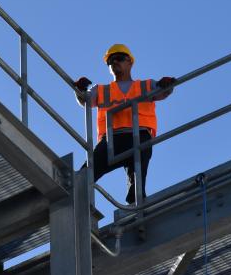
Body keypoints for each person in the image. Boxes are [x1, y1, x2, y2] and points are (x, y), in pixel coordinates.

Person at [74, 43, 176, 204]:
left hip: (139, 135)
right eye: (110, 61)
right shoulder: (100, 89)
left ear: (130, 62)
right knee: (86, 174)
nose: (114, 62)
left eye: (119, 58)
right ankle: (72, 194)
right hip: (111, 139)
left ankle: (136, 201)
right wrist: (79, 90)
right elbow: (85, 100)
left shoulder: (146, 85)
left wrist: (168, 84)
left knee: (138, 175)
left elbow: (163, 91)